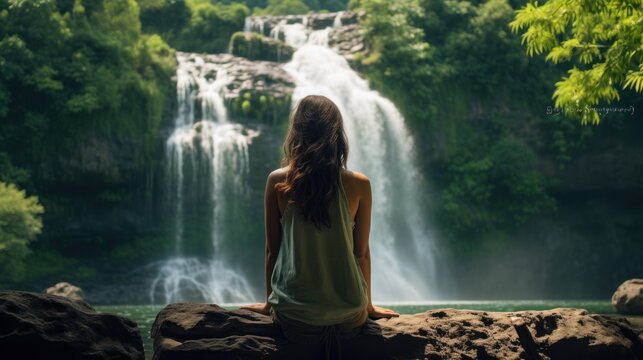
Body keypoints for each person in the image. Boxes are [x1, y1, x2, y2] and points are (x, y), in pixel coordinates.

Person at [241, 95, 399, 358]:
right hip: (350, 318)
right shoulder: (360, 184)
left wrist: (270, 303)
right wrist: (368, 306)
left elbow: (272, 250)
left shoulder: (277, 181)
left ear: (297, 133)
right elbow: (361, 254)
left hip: (294, 319)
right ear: (337, 135)